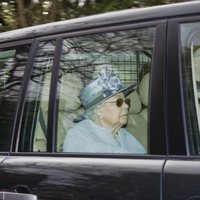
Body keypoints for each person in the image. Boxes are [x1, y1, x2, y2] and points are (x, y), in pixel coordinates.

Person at [63, 69, 146, 153]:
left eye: (126, 101)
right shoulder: (78, 137)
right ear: (98, 110)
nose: (126, 106)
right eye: (119, 102)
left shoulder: (122, 134)